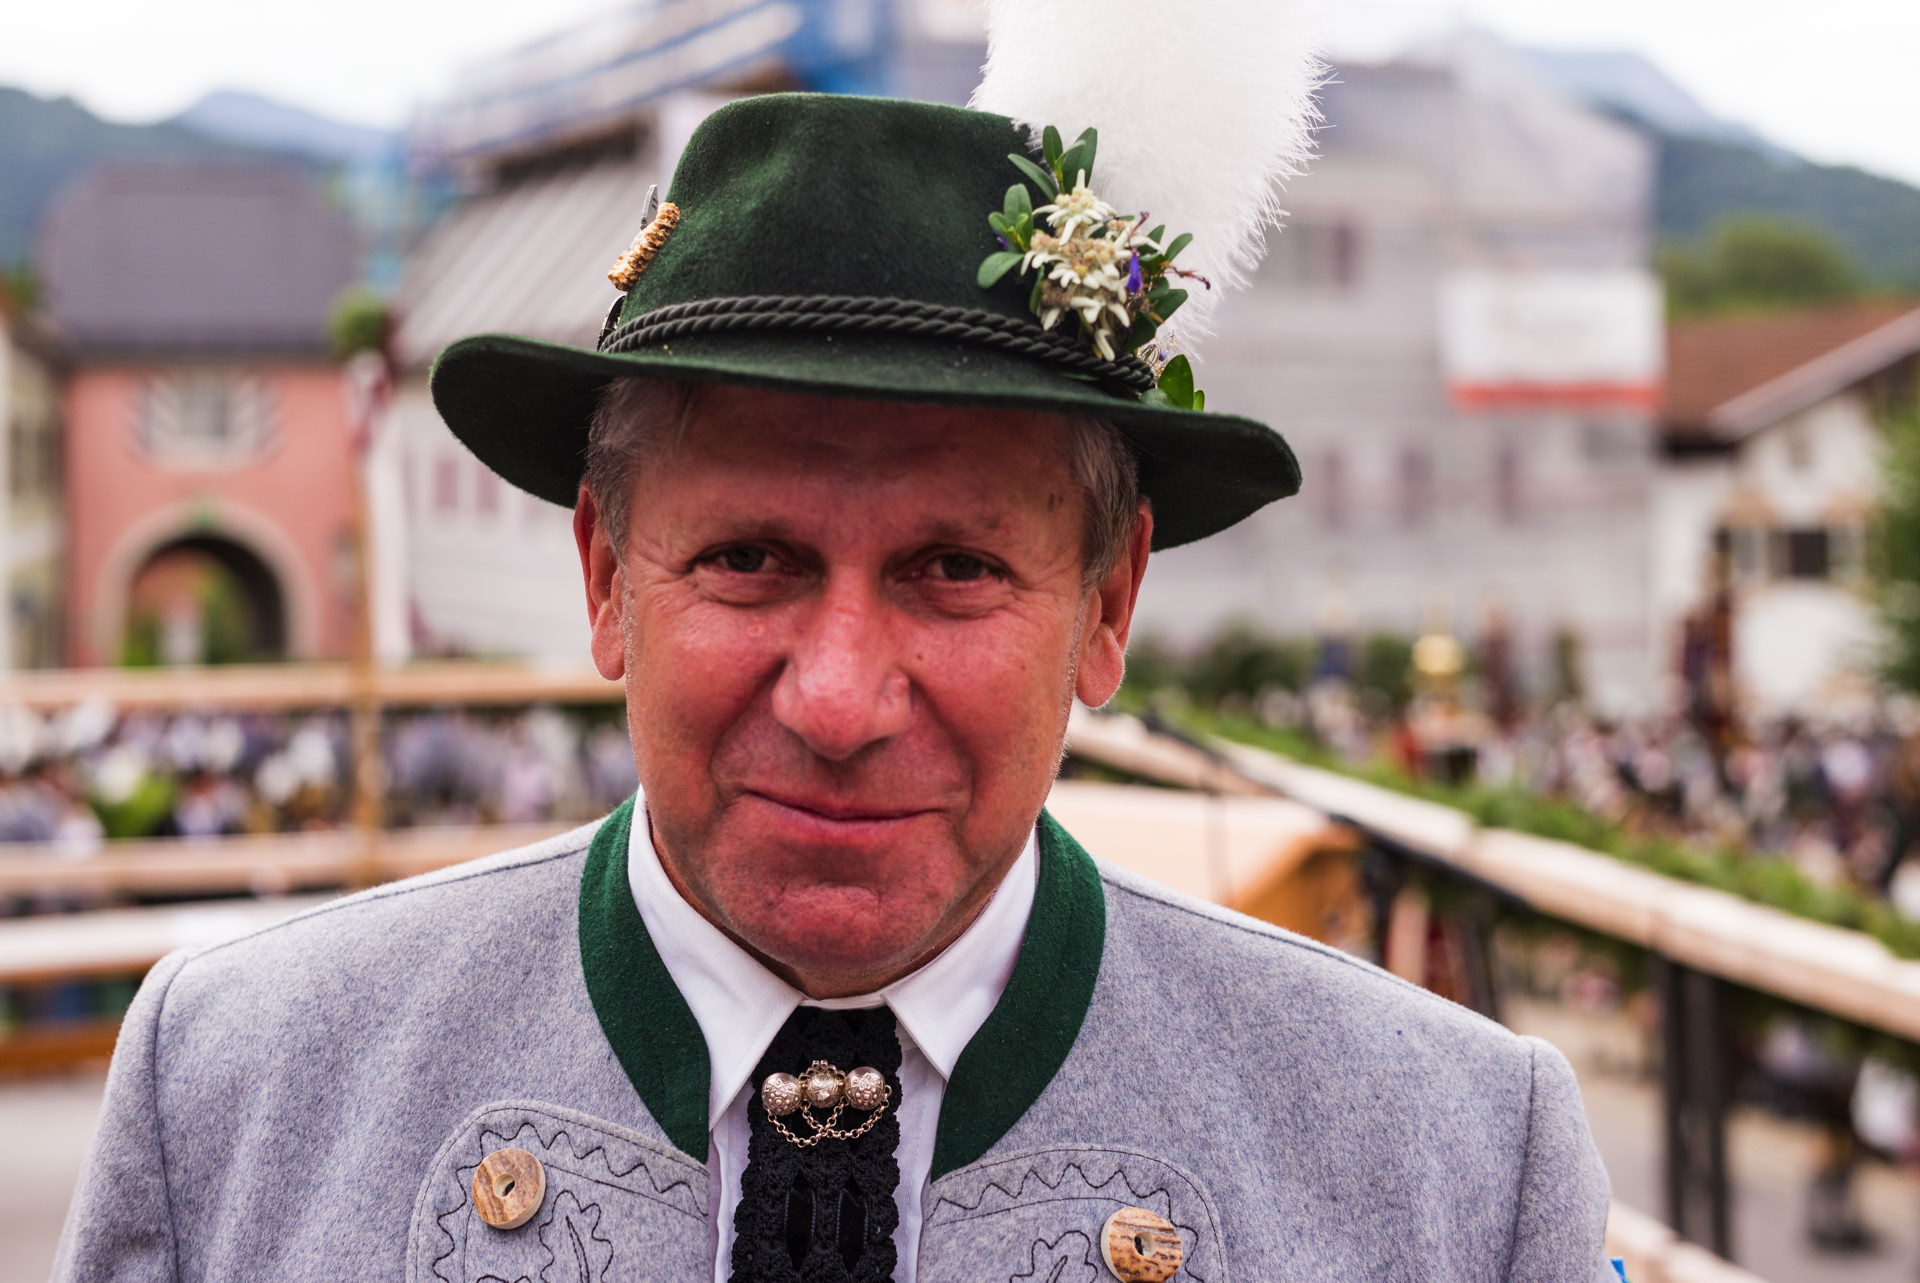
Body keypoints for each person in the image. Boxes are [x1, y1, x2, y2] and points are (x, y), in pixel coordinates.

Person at [54, 18, 1616, 1282]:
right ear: (604, 576)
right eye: (749, 561)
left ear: (1108, 604)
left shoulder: (1460, 1168)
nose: (842, 698)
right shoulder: (238, 1095)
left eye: (956, 570)